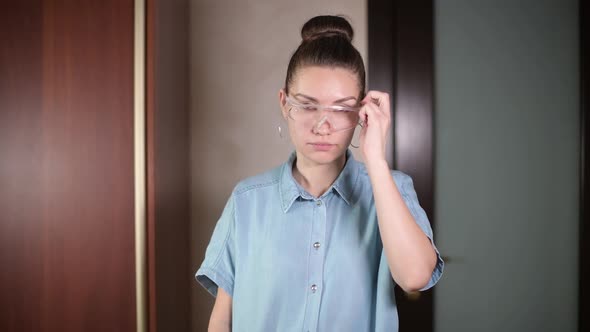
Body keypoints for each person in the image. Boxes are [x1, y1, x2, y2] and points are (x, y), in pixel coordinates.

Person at [195, 15, 444, 332]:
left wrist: (376, 161)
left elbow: (415, 277)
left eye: (341, 108)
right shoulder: (247, 200)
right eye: (308, 105)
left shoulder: (392, 189)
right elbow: (222, 318)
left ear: (361, 112)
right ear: (285, 104)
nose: (322, 125)